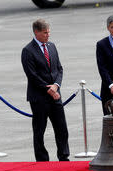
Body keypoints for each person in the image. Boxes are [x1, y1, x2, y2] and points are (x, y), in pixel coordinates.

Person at [21, 19, 70, 162]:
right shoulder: (28, 51)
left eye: (49, 32)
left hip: (55, 95)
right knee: (39, 131)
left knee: (61, 128)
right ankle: (42, 160)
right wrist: (48, 89)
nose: (48, 35)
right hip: (39, 98)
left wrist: (56, 85)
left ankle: (64, 156)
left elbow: (59, 69)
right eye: (45, 32)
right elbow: (32, 75)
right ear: (36, 32)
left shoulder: (52, 46)